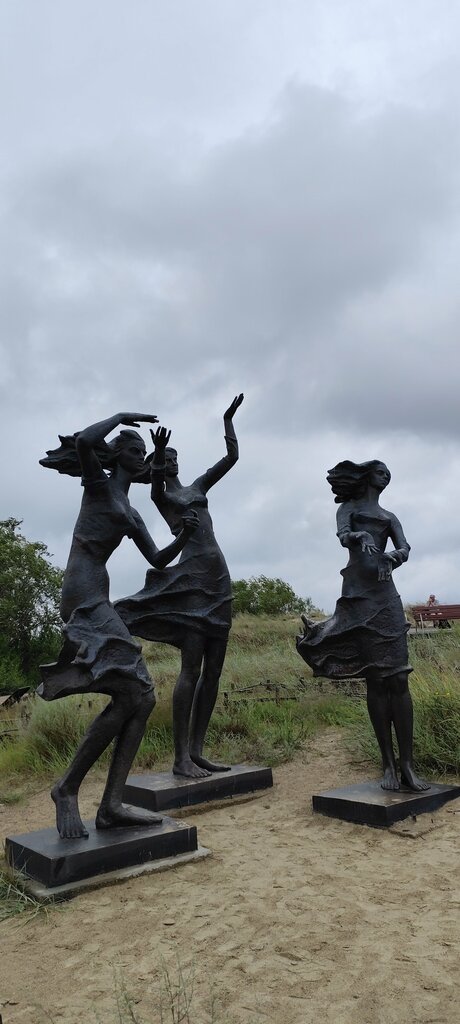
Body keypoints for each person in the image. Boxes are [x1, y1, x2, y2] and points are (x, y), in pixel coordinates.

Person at [39, 413, 198, 838]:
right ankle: (68, 788)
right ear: (118, 456)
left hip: (98, 597)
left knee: (140, 698)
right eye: (133, 450)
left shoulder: (131, 510)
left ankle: (109, 805)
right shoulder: (98, 486)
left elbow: (158, 559)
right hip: (81, 597)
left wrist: (184, 535)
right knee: (138, 691)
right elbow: (88, 442)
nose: (140, 457)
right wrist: (122, 417)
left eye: (143, 453)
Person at [116, 395, 243, 779]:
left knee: (215, 670)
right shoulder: (163, 495)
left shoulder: (198, 486)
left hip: (218, 577)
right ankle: (180, 758)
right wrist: (153, 454)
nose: (170, 461)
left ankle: (199, 751)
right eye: (164, 458)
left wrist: (227, 419)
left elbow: (232, 458)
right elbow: (154, 488)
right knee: (191, 667)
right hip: (191, 582)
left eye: (173, 457)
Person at [297, 459, 429, 792]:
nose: (386, 475)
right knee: (376, 679)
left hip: (385, 596)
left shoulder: (389, 517)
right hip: (358, 594)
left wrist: (393, 557)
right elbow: (343, 537)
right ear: (367, 476)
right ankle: (387, 764)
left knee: (399, 677)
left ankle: (408, 766)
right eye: (380, 470)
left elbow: (405, 547)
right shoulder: (350, 510)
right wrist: (357, 536)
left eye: (389, 472)